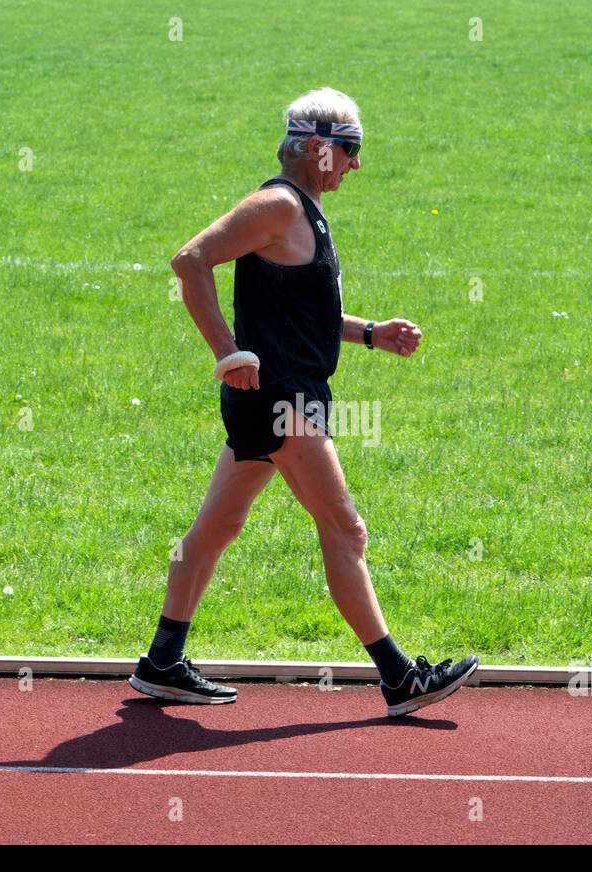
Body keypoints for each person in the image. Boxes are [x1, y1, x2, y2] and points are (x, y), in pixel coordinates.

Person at [130, 88, 478, 717]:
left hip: (279, 395)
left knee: (217, 527)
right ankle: (400, 678)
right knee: (345, 529)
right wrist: (227, 352)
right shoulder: (279, 205)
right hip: (284, 399)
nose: (356, 166)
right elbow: (191, 261)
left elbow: (306, 312)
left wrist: (371, 333)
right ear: (319, 148)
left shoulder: (302, 210)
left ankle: (162, 661)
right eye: (351, 151)